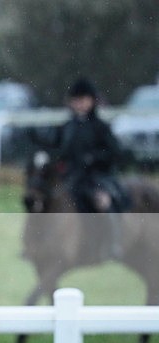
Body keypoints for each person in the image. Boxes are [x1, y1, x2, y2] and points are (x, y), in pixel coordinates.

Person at [37, 77, 127, 259]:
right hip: (72, 177)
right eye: (76, 100)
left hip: (97, 178)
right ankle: (39, 245)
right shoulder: (67, 126)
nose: (79, 104)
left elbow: (115, 153)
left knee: (103, 203)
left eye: (83, 100)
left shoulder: (100, 127)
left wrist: (94, 158)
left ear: (92, 101)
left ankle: (114, 243)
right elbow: (57, 149)